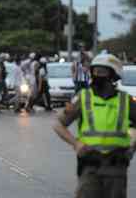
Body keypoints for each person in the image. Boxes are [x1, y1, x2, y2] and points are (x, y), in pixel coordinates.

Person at [53, 54, 136, 198]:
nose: (98, 75)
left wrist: (132, 144)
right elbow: (58, 124)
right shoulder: (83, 97)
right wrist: (76, 143)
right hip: (90, 167)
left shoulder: (125, 100)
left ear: (113, 75)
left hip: (116, 167)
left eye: (102, 71)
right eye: (95, 71)